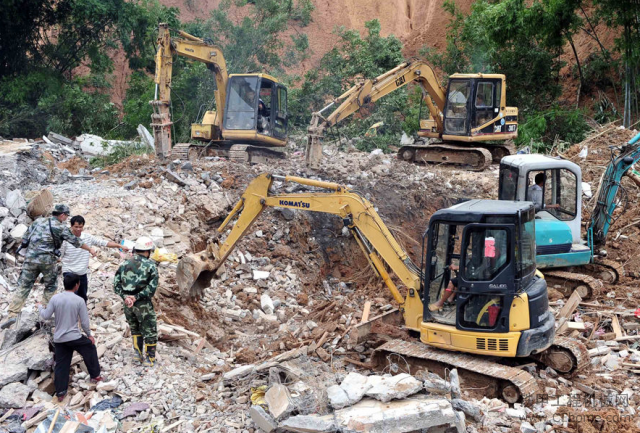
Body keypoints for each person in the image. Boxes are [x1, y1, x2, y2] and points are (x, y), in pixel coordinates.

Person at [1, 204, 96, 329]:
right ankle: (45, 313)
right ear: (62, 215)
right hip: (47, 260)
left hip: (30, 259)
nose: (66, 218)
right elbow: (76, 242)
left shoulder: (38, 221)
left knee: (24, 286)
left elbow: (25, 237)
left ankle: (12, 314)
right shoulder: (61, 227)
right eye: (66, 216)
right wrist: (90, 249)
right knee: (51, 286)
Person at [38, 273, 102, 402]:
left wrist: (39, 307)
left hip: (60, 339)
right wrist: (89, 335)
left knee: (62, 364)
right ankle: (95, 376)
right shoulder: (79, 300)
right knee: (90, 348)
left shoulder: (55, 299)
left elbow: (45, 315)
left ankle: (61, 392)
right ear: (77, 285)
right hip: (74, 337)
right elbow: (84, 322)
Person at [60, 215, 129, 303]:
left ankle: (81, 316)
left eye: (80, 227)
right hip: (69, 271)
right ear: (71, 226)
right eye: (76, 227)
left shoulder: (87, 237)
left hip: (82, 273)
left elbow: (103, 243)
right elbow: (60, 255)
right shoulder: (65, 240)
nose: (78, 229)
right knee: (71, 298)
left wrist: (119, 245)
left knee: (82, 298)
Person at [114, 236, 158, 367]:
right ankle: (150, 359)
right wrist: (137, 297)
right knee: (149, 330)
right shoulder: (150, 265)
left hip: (128, 305)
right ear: (147, 251)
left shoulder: (124, 264)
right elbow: (152, 288)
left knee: (135, 329)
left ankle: (137, 356)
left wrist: (126, 297)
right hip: (143, 304)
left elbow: (116, 285)